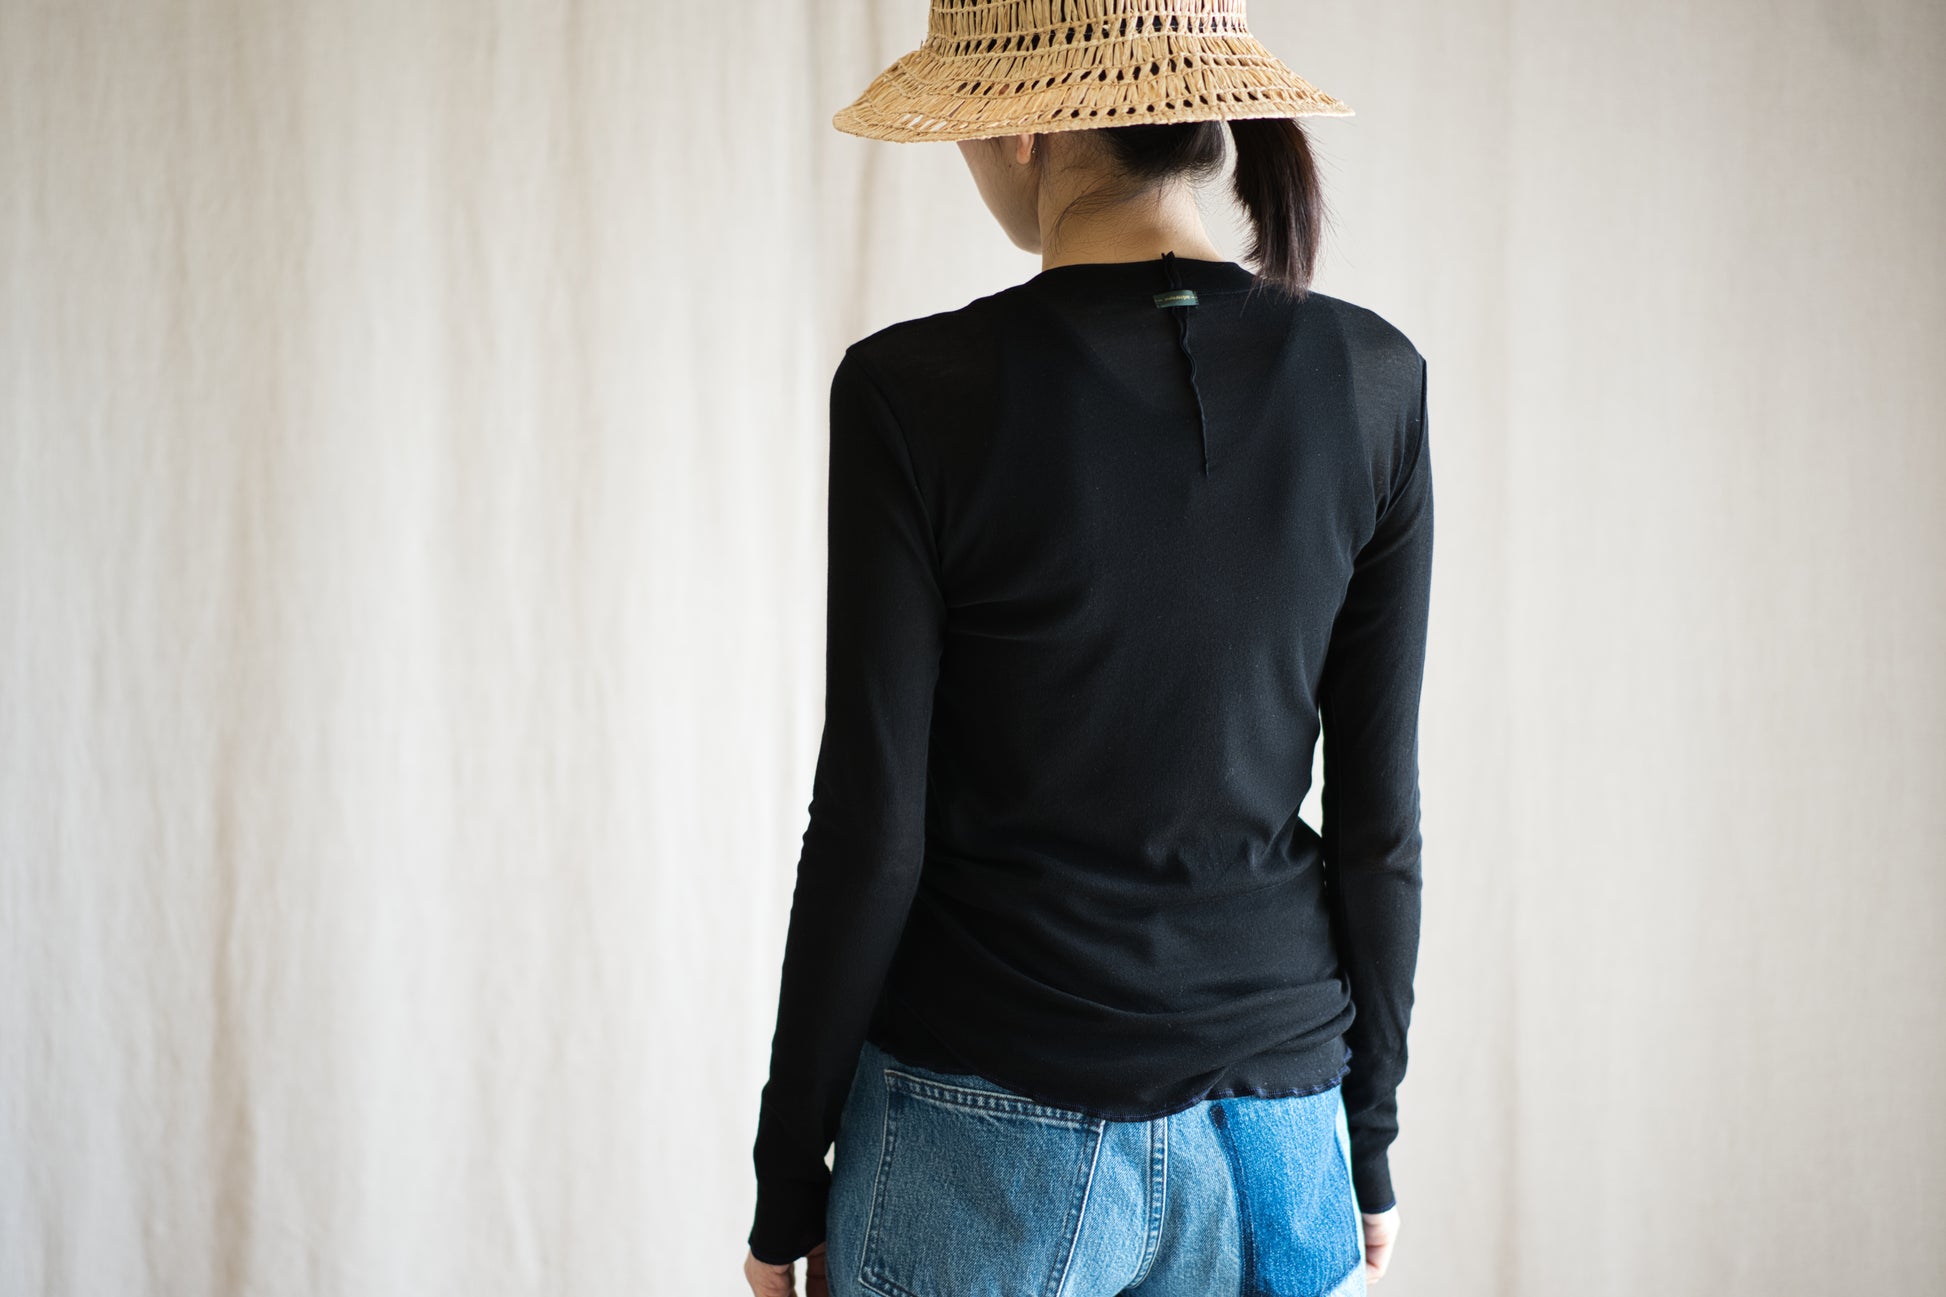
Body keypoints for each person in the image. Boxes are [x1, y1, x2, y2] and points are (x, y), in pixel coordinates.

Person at [744, 3, 1432, 1295]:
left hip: (978, 1117)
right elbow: (1377, 823)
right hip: (1277, 1135)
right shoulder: (1373, 378)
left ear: (1020, 124)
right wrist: (1370, 1141)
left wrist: (787, 1179)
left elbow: (871, 827)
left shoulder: (913, 392)